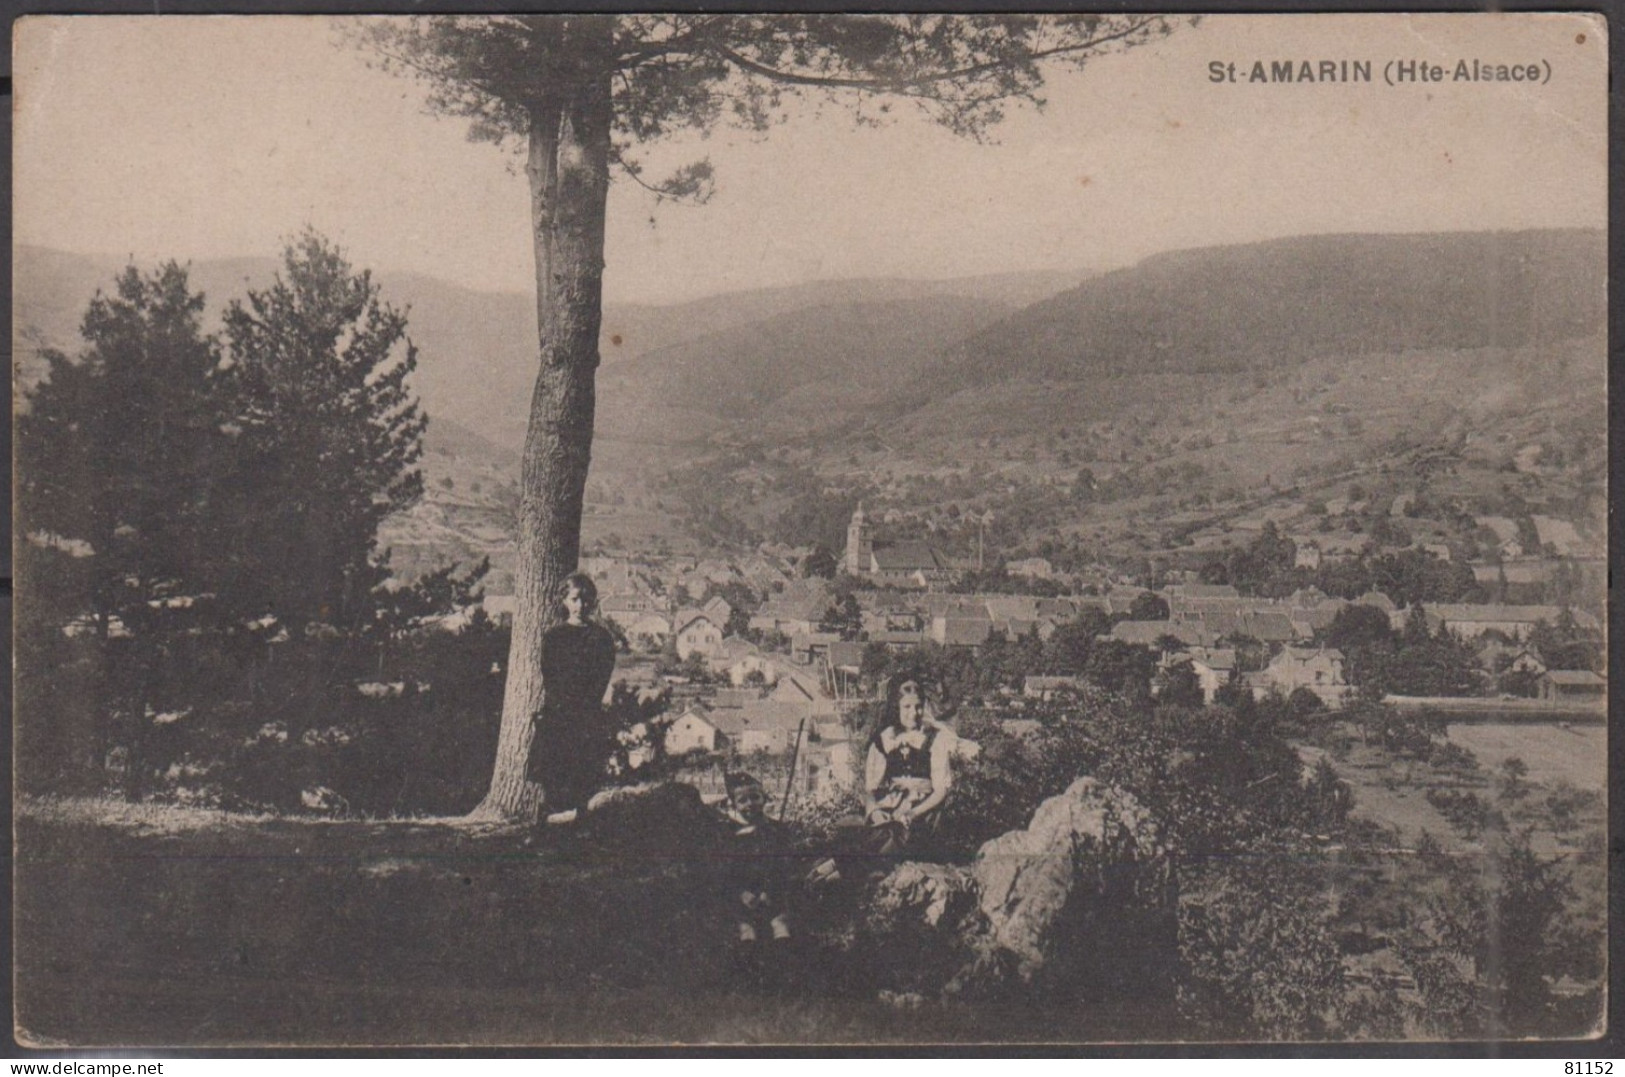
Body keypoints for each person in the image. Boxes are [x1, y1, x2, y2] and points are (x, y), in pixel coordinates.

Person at [526, 572, 617, 824]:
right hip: (559, 716)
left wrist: (585, 706)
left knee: (583, 779)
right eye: (575, 599)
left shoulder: (601, 639)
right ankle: (547, 830)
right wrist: (564, 707)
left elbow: (600, 679)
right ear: (564, 601)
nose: (580, 606)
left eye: (586, 600)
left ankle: (580, 829)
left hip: (586, 717)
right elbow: (551, 677)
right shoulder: (554, 638)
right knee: (554, 777)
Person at [861, 676, 954, 854]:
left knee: (893, 841)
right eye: (907, 706)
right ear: (896, 707)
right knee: (865, 835)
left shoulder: (935, 739)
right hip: (891, 807)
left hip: (924, 813)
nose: (914, 713)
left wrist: (912, 814)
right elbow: (870, 789)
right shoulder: (885, 739)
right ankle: (828, 873)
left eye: (918, 706)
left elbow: (941, 791)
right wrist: (874, 812)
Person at [714, 770, 794, 948]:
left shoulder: (777, 830)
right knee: (746, 930)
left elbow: (783, 867)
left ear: (764, 798)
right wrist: (741, 894)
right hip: (741, 896)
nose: (750, 804)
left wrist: (769, 891)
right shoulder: (727, 834)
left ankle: (784, 966)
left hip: (772, 893)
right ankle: (748, 969)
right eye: (742, 800)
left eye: (755, 797)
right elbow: (724, 871)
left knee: (780, 926)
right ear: (734, 804)